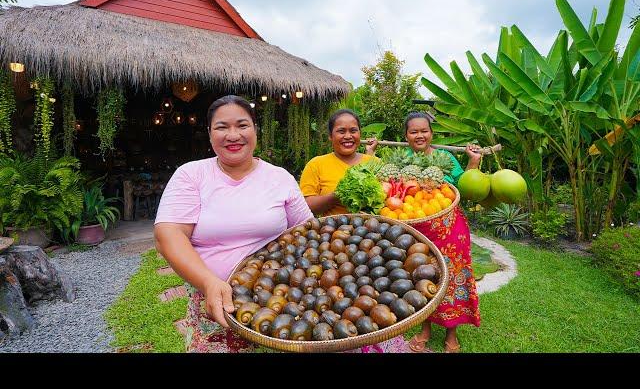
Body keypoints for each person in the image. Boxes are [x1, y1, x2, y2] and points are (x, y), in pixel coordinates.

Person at [154, 95, 313, 353]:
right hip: (217, 305)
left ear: (255, 130)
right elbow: (167, 235)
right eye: (221, 127)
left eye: (242, 125)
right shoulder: (191, 175)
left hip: (281, 304)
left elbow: (308, 231)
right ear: (209, 134)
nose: (233, 135)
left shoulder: (279, 178)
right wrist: (209, 282)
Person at [367, 111, 482, 353]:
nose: (419, 135)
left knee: (453, 276)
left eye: (424, 131)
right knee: (421, 277)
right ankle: (426, 328)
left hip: (450, 227)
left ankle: (452, 330)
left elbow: (465, 187)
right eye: (413, 131)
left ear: (431, 133)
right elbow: (385, 186)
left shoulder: (446, 157)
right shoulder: (400, 160)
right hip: (415, 229)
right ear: (406, 136)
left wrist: (473, 162)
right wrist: (370, 154)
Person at [299, 109, 406, 353]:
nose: (348, 136)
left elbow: (389, 200)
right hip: (332, 243)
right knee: (340, 297)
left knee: (376, 296)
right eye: (341, 131)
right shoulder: (317, 164)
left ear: (360, 134)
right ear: (330, 136)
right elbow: (306, 204)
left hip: (373, 241)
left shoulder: (375, 164)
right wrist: (338, 194)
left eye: (353, 130)